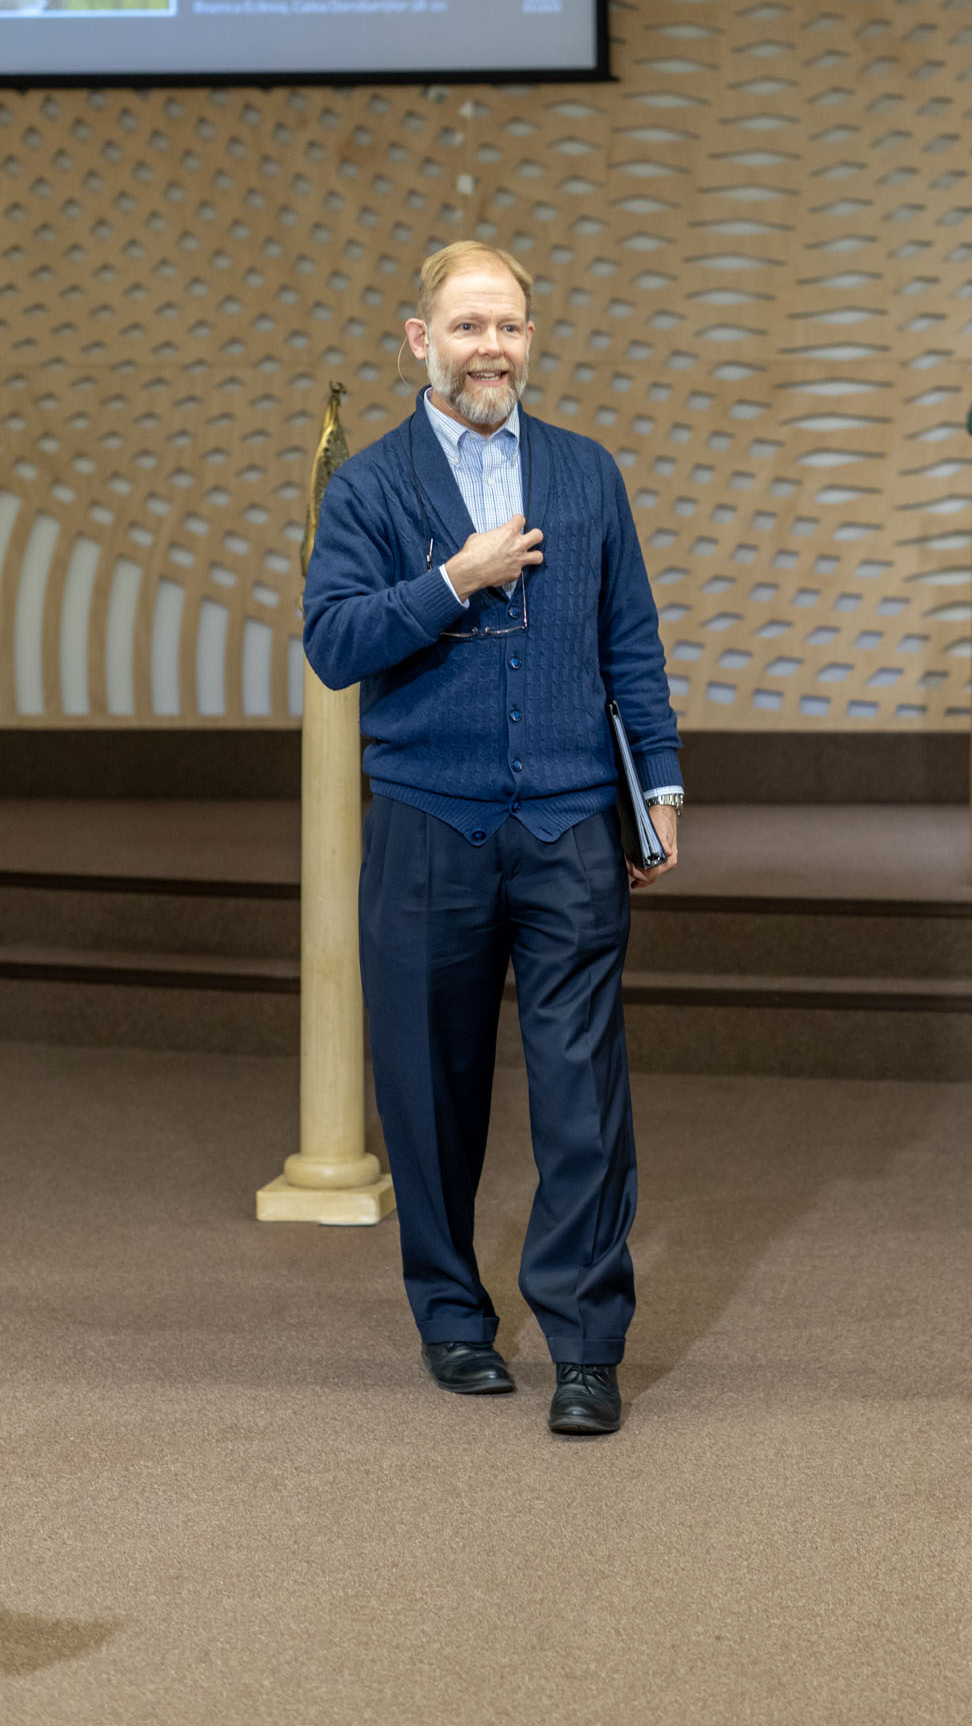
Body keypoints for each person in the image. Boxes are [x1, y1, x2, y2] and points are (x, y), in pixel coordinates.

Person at [303, 240, 683, 1436]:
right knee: (430, 1091)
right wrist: (454, 578)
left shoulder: (585, 472)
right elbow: (332, 643)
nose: (491, 348)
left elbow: (630, 641)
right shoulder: (370, 486)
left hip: (570, 822)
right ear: (421, 340)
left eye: (508, 325)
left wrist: (658, 785)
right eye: (467, 326)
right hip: (428, 826)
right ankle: (453, 1318)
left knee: (583, 1096)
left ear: (530, 337)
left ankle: (585, 1345)